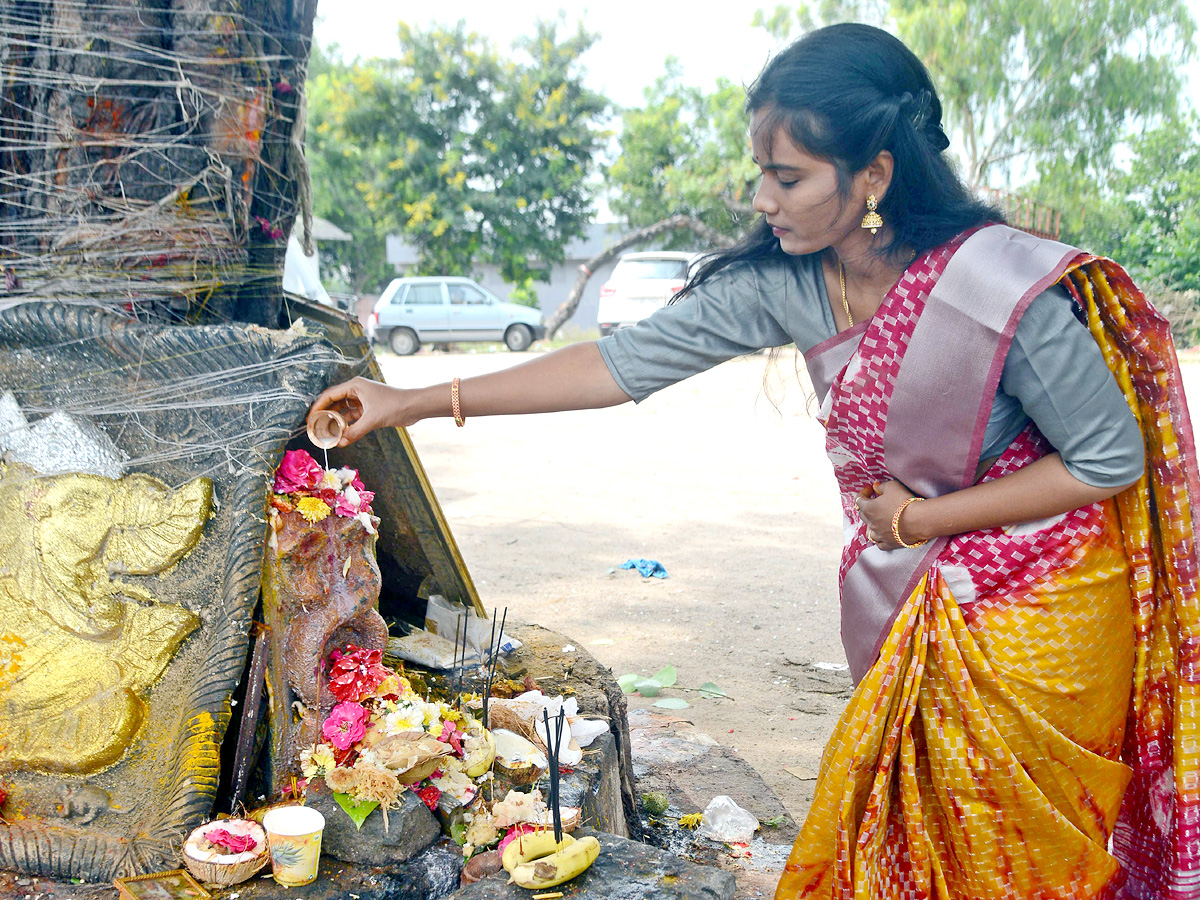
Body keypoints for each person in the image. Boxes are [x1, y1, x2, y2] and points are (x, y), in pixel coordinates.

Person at [309, 23, 1200, 900]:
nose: (764, 199)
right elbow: (615, 366)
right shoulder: (788, 281)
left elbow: (1109, 459)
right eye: (761, 174)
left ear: (875, 175)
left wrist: (918, 520)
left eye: (789, 176)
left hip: (1042, 618)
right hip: (912, 600)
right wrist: (412, 403)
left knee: (1021, 871)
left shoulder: (1005, 290)